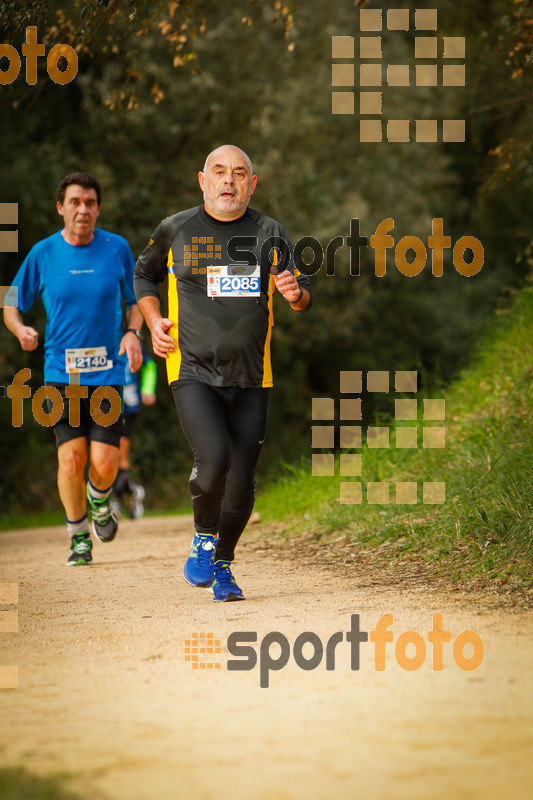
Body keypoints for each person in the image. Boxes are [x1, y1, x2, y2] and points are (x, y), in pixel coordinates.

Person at [134, 144, 313, 601]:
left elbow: (302, 292)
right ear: (203, 180)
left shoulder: (270, 231)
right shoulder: (175, 228)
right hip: (191, 369)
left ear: (252, 184)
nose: (228, 181)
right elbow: (143, 276)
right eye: (219, 172)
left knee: (243, 480)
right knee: (213, 460)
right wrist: (154, 322)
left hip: (254, 376)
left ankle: (224, 564)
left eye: (238, 174)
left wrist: (295, 294)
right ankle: (202, 536)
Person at [3, 172, 143, 565]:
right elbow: (10, 302)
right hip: (61, 376)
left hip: (107, 375)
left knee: (103, 464)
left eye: (91, 203)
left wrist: (133, 333)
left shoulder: (117, 248)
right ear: (61, 207)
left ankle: (99, 499)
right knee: (70, 458)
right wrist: (20, 329)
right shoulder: (43, 253)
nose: (83, 209)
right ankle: (78, 536)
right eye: (76, 202)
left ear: (98, 208)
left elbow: (135, 300)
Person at [112, 349, 157, 519]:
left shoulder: (129, 339)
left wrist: (148, 388)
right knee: (109, 453)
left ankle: (118, 498)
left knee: (119, 449)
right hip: (104, 401)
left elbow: (149, 365)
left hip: (128, 404)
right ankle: (130, 490)